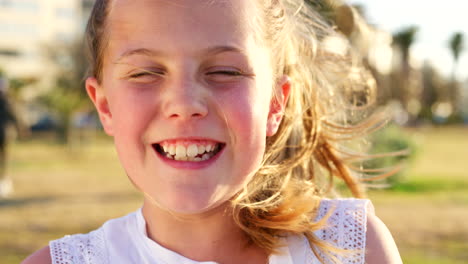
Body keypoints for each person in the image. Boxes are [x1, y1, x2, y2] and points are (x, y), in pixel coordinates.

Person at [23, 0, 402, 263]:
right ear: (104, 105)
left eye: (224, 71)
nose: (185, 103)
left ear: (274, 103)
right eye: (145, 73)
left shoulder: (351, 248)